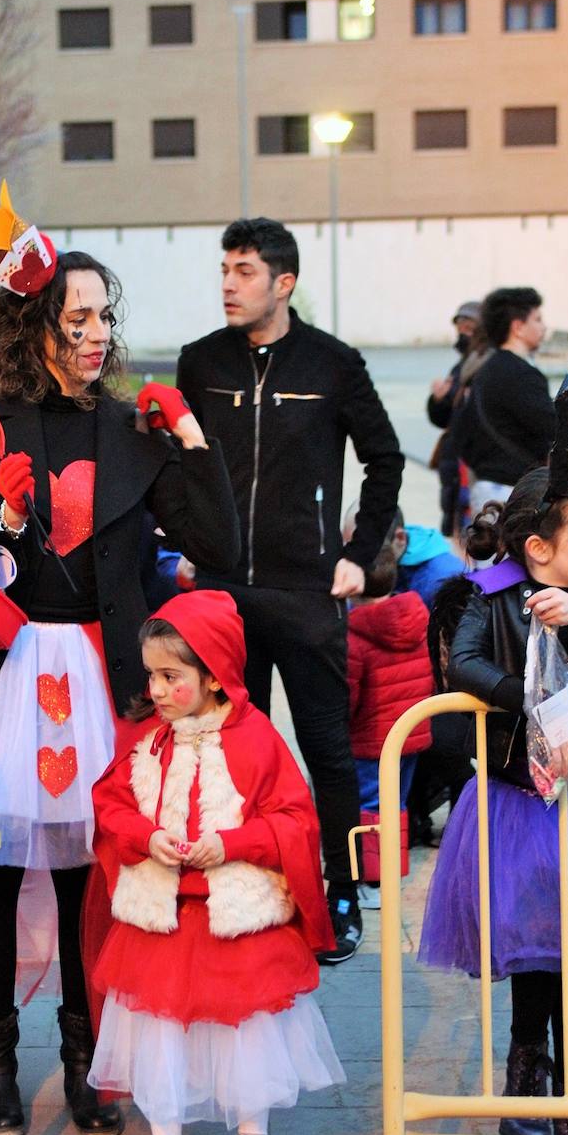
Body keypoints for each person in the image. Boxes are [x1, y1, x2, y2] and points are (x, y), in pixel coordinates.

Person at [0, 193, 240, 1135]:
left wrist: (190, 438)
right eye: (75, 316)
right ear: (33, 323)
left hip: (103, 672)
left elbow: (220, 544)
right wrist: (1, 522)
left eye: (102, 317)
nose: (95, 334)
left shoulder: (133, 430)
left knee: (98, 874)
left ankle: (90, 1058)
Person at [418, 364, 568, 1135]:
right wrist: (533, 701)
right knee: (538, 957)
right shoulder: (492, 594)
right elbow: (464, 662)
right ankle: (527, 1080)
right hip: (514, 809)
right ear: (537, 546)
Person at [176, 217, 404, 964]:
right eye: (223, 271)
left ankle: (340, 891)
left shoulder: (333, 364)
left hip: (306, 591)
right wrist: (180, 544)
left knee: (326, 753)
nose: (227, 285)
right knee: (218, 750)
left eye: (243, 271)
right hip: (218, 596)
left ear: (284, 282)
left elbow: (385, 460)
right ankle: (231, 889)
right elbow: (173, 464)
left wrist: (360, 557)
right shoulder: (200, 362)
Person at [86, 590, 344, 1135]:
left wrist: (231, 842)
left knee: (247, 1037)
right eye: (152, 675)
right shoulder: (149, 742)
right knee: (160, 1038)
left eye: (171, 676)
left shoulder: (257, 740)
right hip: (162, 921)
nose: (158, 688)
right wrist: (145, 836)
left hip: (239, 921)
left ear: (214, 673)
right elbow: (110, 802)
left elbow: (294, 819)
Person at [346, 544, 434, 908]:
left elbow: (347, 698)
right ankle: (391, 874)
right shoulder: (416, 616)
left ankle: (374, 882)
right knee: (394, 805)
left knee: (370, 809)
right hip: (411, 734)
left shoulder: (354, 636)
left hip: (370, 740)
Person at [452, 287, 556, 519]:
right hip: (512, 491)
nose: (543, 327)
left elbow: (463, 434)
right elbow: (552, 426)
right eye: (537, 319)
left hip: (486, 487)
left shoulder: (487, 369)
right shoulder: (521, 373)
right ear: (518, 327)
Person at [426, 300, 481, 535]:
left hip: (470, 464)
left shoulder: (485, 363)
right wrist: (438, 400)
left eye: (469, 326)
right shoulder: (461, 366)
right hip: (454, 465)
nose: (462, 332)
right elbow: (443, 417)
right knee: (458, 528)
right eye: (459, 326)